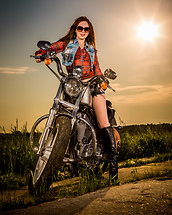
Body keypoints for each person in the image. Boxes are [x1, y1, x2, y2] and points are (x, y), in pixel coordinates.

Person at [35, 16, 119, 179]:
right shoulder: (67, 43)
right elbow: (52, 48)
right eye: (80, 28)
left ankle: (114, 163)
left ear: (89, 32)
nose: (82, 31)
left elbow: (97, 67)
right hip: (73, 84)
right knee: (59, 110)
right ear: (75, 29)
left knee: (103, 122)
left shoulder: (91, 49)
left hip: (91, 84)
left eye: (86, 29)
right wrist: (41, 53)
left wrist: (101, 79)